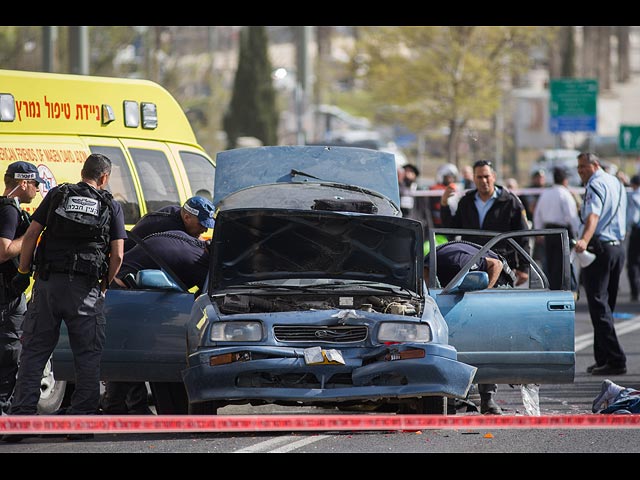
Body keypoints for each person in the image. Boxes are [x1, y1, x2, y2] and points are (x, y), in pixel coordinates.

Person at [2, 153, 126, 443]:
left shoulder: (59, 194)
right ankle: (81, 422)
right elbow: (118, 253)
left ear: (83, 172)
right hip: (85, 290)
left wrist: (24, 270)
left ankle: (20, 420)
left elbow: (32, 234)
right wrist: (105, 285)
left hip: (48, 284)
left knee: (34, 352)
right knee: (87, 355)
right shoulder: (110, 204)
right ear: (104, 177)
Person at [100, 196, 214, 415]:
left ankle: (129, 407)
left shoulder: (180, 229)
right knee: (132, 348)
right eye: (201, 224)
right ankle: (122, 407)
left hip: (131, 288)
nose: (203, 230)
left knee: (133, 347)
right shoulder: (175, 238)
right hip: (125, 289)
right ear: (187, 216)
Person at [440, 159, 531, 415]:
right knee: (464, 330)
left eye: (487, 177)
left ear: (495, 176)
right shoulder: (468, 200)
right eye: (479, 177)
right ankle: (459, 393)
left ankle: (487, 397)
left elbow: (523, 235)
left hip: (500, 270)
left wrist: (523, 266)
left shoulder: (510, 201)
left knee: (491, 332)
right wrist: (445, 204)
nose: (484, 181)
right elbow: (451, 232)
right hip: (470, 266)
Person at [574, 152, 627, 376]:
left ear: (595, 165)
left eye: (583, 167)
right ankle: (603, 357)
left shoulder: (595, 185)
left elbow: (593, 216)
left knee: (599, 306)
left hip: (600, 248)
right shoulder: (615, 181)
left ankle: (616, 359)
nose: (580, 172)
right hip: (617, 248)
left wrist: (584, 240)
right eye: (578, 168)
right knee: (606, 307)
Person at [0, 161, 43, 415]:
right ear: (23, 183)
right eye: (35, 184)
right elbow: (3, 252)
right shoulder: (8, 210)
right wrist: (30, 237)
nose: (37, 189)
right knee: (8, 355)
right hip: (6, 295)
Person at [533, 167, 581, 290]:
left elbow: (537, 214)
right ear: (565, 180)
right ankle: (565, 288)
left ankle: (552, 288)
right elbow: (572, 216)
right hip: (562, 232)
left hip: (548, 231)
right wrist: (577, 235)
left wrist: (538, 232)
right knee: (564, 263)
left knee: (550, 261)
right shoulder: (565, 194)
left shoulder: (546, 193)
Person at [123, 195, 215, 252]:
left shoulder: (178, 212)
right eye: (201, 225)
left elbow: (199, 241)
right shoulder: (172, 229)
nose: (205, 230)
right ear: (187, 218)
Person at [428, 163, 459, 228]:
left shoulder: (456, 188)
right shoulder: (434, 189)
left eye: (452, 177)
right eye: (448, 177)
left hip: (451, 222)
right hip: (437, 223)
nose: (451, 179)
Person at [626, 175, 640, 302]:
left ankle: (635, 292)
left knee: (633, 263)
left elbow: (633, 217)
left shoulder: (633, 196)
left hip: (636, 231)